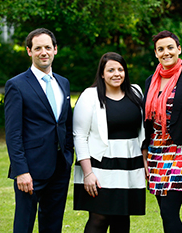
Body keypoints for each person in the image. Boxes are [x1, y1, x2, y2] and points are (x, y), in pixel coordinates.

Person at [4, 28, 74, 233]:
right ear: (29, 51)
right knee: (24, 224)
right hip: (31, 169)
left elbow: (65, 122)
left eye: (47, 47)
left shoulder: (63, 83)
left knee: (53, 224)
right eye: (38, 48)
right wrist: (21, 171)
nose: (43, 52)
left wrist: (68, 153)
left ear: (55, 50)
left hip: (60, 166)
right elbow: (13, 133)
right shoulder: (16, 85)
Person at [142, 30, 182, 233]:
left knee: (170, 212)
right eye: (160, 49)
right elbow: (147, 122)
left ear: (179, 49)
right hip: (156, 154)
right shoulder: (150, 81)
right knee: (164, 212)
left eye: (170, 47)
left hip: (181, 152)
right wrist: (144, 153)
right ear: (155, 53)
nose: (166, 52)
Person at [73, 52, 146, 233]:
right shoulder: (90, 96)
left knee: (122, 218)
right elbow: (79, 136)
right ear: (102, 74)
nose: (116, 74)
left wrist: (144, 161)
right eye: (111, 70)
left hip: (129, 164)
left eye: (120, 69)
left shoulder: (135, 92)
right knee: (99, 217)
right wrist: (87, 173)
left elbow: (142, 132)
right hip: (99, 165)